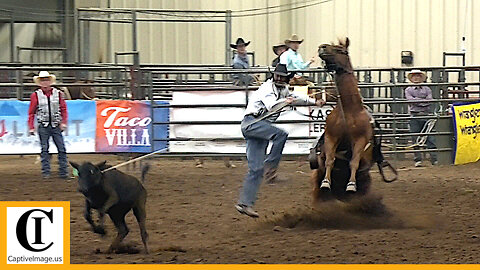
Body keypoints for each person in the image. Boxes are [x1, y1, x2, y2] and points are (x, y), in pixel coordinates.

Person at [235, 64, 325, 218]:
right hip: (252, 123)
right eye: (277, 75)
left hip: (259, 127)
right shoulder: (267, 88)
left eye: (281, 76)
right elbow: (272, 105)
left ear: (285, 78)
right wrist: (287, 101)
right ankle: (271, 169)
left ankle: (245, 204)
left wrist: (313, 102)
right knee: (280, 135)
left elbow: (296, 98)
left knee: (256, 170)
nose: (279, 78)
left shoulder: (283, 90)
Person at [28, 71, 69, 179]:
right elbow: (31, 112)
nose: (45, 82)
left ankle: (63, 172)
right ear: (40, 82)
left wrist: (63, 122)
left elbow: (63, 109)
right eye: (43, 80)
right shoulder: (35, 95)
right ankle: (46, 172)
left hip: (55, 124)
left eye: (46, 80)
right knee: (45, 149)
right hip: (44, 125)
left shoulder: (58, 94)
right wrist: (31, 126)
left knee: (61, 149)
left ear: (50, 81)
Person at [404, 69, 438, 167]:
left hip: (425, 115)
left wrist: (417, 101)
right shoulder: (409, 89)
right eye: (414, 76)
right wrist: (423, 102)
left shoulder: (426, 89)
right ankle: (418, 160)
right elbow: (411, 101)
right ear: (411, 78)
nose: (416, 78)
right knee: (416, 138)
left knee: (431, 138)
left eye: (418, 76)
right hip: (415, 115)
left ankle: (434, 159)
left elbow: (429, 100)